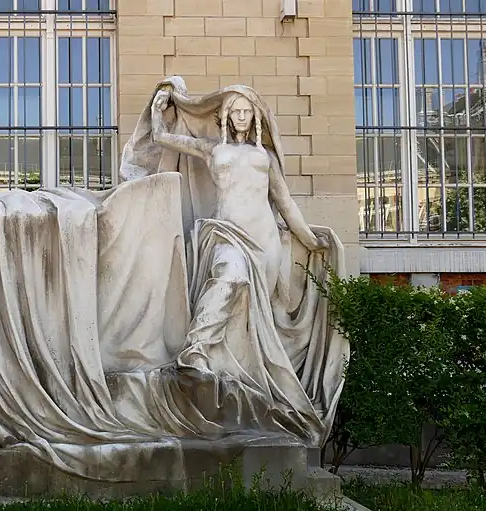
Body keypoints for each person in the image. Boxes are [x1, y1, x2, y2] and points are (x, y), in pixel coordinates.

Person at [131, 79, 348, 446]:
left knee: (248, 314)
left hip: (264, 242)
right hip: (226, 233)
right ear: (226, 116)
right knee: (230, 277)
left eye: (248, 112)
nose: (243, 117)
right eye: (236, 112)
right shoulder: (211, 149)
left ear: (255, 117)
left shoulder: (266, 159)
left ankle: (237, 378)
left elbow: (285, 203)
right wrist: (158, 107)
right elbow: (164, 138)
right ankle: (195, 351)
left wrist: (309, 238)